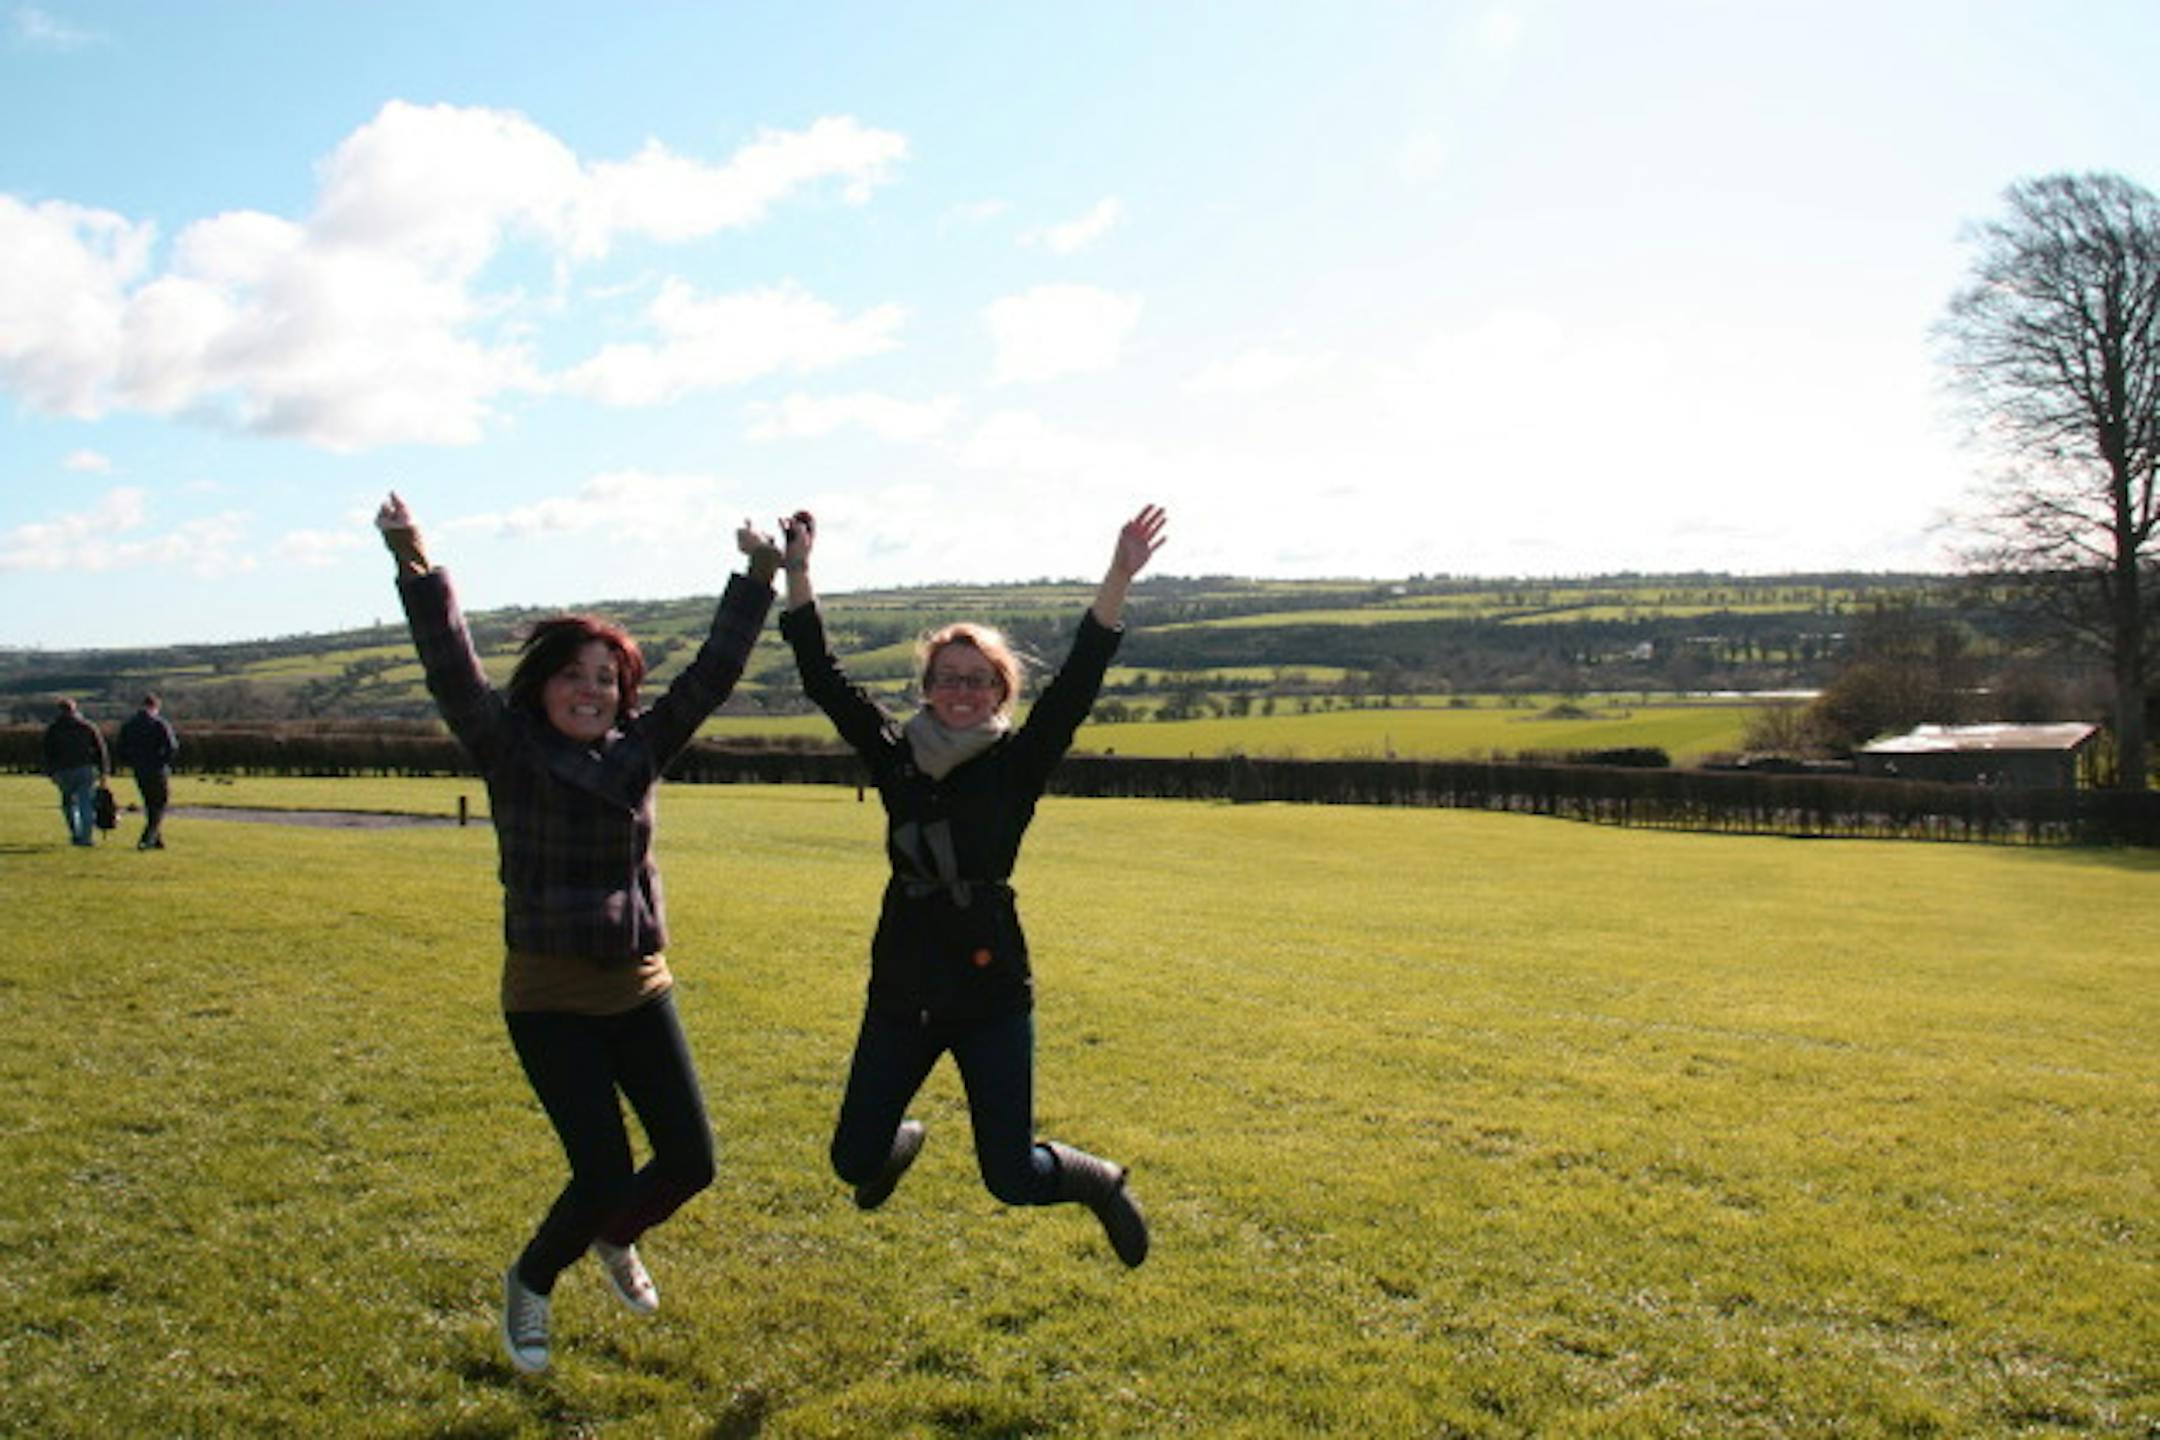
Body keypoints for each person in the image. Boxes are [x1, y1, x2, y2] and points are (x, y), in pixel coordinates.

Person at [375, 491, 780, 1376]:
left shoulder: (639, 751)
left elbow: (711, 674)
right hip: (550, 994)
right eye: (574, 674)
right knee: (600, 1168)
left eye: (607, 678)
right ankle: (531, 1282)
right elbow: (449, 665)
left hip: (638, 985)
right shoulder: (506, 746)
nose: (591, 690)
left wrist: (758, 575)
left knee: (689, 1161)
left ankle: (616, 1240)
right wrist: (414, 558)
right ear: (542, 685)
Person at [777, 503, 1167, 1268]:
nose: (962, 690)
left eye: (979, 680)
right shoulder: (895, 753)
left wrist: (1118, 576)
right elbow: (821, 676)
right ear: (926, 687)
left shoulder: (1017, 762)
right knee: (853, 1161)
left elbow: (1081, 680)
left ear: (1000, 692)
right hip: (903, 984)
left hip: (990, 988)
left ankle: (1098, 1183)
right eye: (948, 678)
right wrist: (798, 571)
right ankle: (896, 1147)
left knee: (1012, 1178)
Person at [116, 694, 180, 850]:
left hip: (139, 769)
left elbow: (120, 748)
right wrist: (163, 761)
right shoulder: (159, 724)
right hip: (157, 769)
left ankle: (157, 839)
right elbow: (172, 747)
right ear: (155, 707)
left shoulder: (129, 725)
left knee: (150, 802)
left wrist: (132, 762)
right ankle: (147, 837)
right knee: (160, 803)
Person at [42, 698, 109, 847]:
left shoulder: (54, 729)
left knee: (68, 804)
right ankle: (86, 837)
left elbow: (48, 752)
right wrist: (104, 771)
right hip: (85, 769)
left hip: (63, 771)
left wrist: (51, 772)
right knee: (86, 804)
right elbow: (100, 750)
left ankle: (75, 833)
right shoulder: (87, 726)